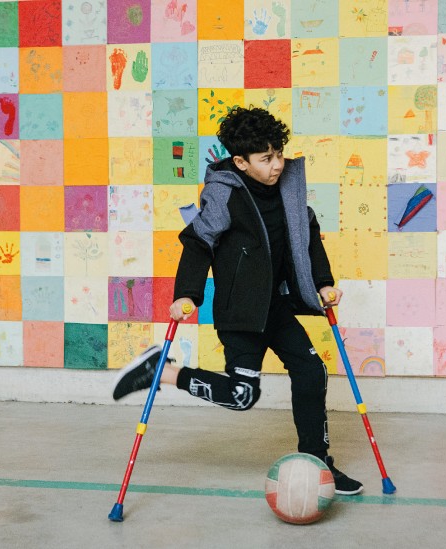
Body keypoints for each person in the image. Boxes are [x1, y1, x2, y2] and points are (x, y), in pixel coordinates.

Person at [112, 106, 362, 495]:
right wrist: (186, 294)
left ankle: (317, 463)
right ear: (242, 162)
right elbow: (198, 242)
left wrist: (323, 284)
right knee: (243, 396)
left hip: (275, 308)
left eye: (279, 153)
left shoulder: (289, 190)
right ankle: (163, 372)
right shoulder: (224, 194)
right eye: (266, 159)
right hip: (240, 312)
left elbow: (307, 234)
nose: (277, 164)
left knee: (312, 372)